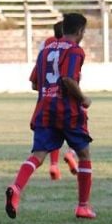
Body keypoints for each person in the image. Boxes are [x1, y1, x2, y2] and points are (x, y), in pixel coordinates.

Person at [6, 12, 95, 220]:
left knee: (38, 155)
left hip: (45, 107)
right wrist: (83, 98)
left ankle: (16, 187)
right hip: (67, 110)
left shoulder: (45, 50)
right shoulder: (75, 51)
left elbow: (35, 83)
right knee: (83, 154)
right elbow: (67, 79)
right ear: (80, 31)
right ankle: (83, 206)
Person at [32, 20, 79, 181]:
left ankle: (54, 165)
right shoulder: (71, 48)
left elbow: (36, 79)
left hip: (47, 97)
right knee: (79, 133)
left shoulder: (46, 45)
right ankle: (71, 153)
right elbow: (70, 76)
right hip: (68, 97)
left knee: (51, 134)